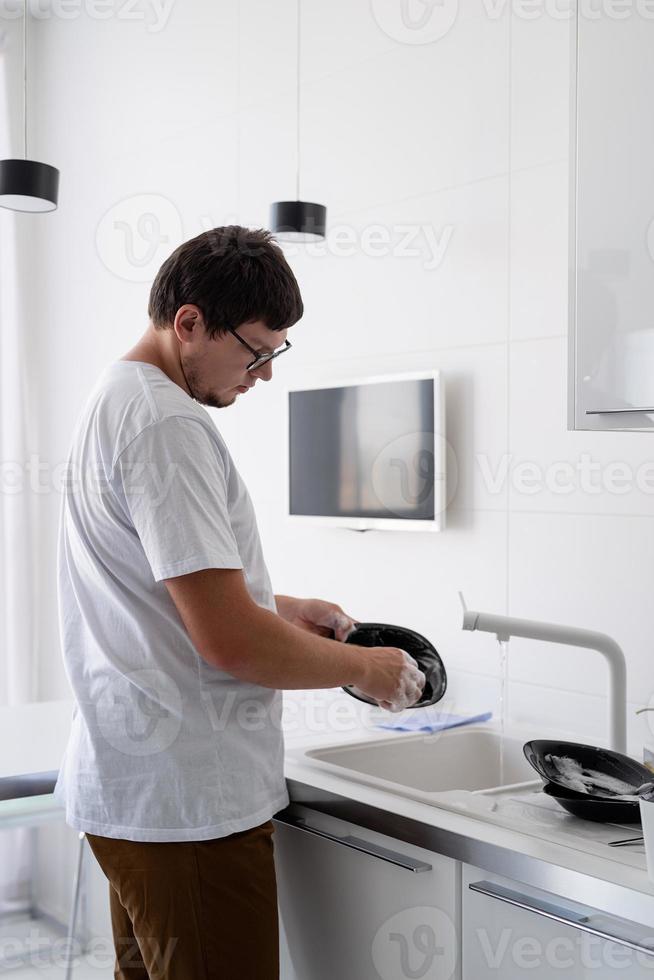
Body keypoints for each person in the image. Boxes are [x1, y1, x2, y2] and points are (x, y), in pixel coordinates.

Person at [53, 225, 425, 979]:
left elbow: (165, 585)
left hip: (139, 785)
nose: (262, 374)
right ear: (188, 323)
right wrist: (366, 668)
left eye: (273, 355)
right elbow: (230, 643)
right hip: (189, 802)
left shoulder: (118, 395)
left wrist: (277, 606)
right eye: (254, 351)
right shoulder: (165, 423)